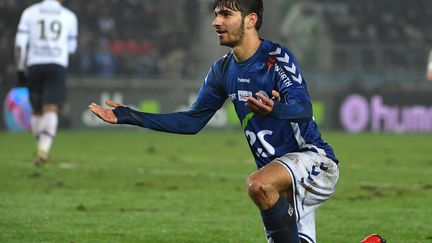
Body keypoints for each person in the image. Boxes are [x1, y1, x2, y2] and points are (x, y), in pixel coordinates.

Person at [89, 0, 339, 242]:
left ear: (251, 20)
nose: (216, 22)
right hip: (280, 179)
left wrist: (276, 109)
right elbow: (192, 121)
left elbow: (304, 108)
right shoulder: (222, 70)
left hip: (314, 161)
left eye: (226, 15)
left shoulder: (276, 58)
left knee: (258, 184)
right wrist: (130, 116)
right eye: (216, 14)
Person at [15, 0, 78, 165]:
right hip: (56, 64)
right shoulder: (69, 16)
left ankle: (41, 150)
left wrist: (20, 69)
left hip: (34, 65)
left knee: (36, 111)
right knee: (51, 108)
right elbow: (72, 47)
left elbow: (20, 45)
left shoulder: (29, 12)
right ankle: (43, 151)